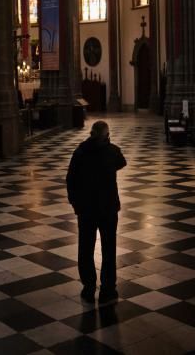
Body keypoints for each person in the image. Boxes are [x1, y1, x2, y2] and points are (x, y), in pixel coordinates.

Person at [66, 120, 127, 305]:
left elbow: (70, 180)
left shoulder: (80, 152)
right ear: (107, 136)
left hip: (86, 209)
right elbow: (122, 162)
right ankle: (108, 288)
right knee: (109, 249)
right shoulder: (112, 151)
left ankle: (88, 286)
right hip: (107, 209)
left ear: (91, 134)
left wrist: (75, 203)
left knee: (85, 248)